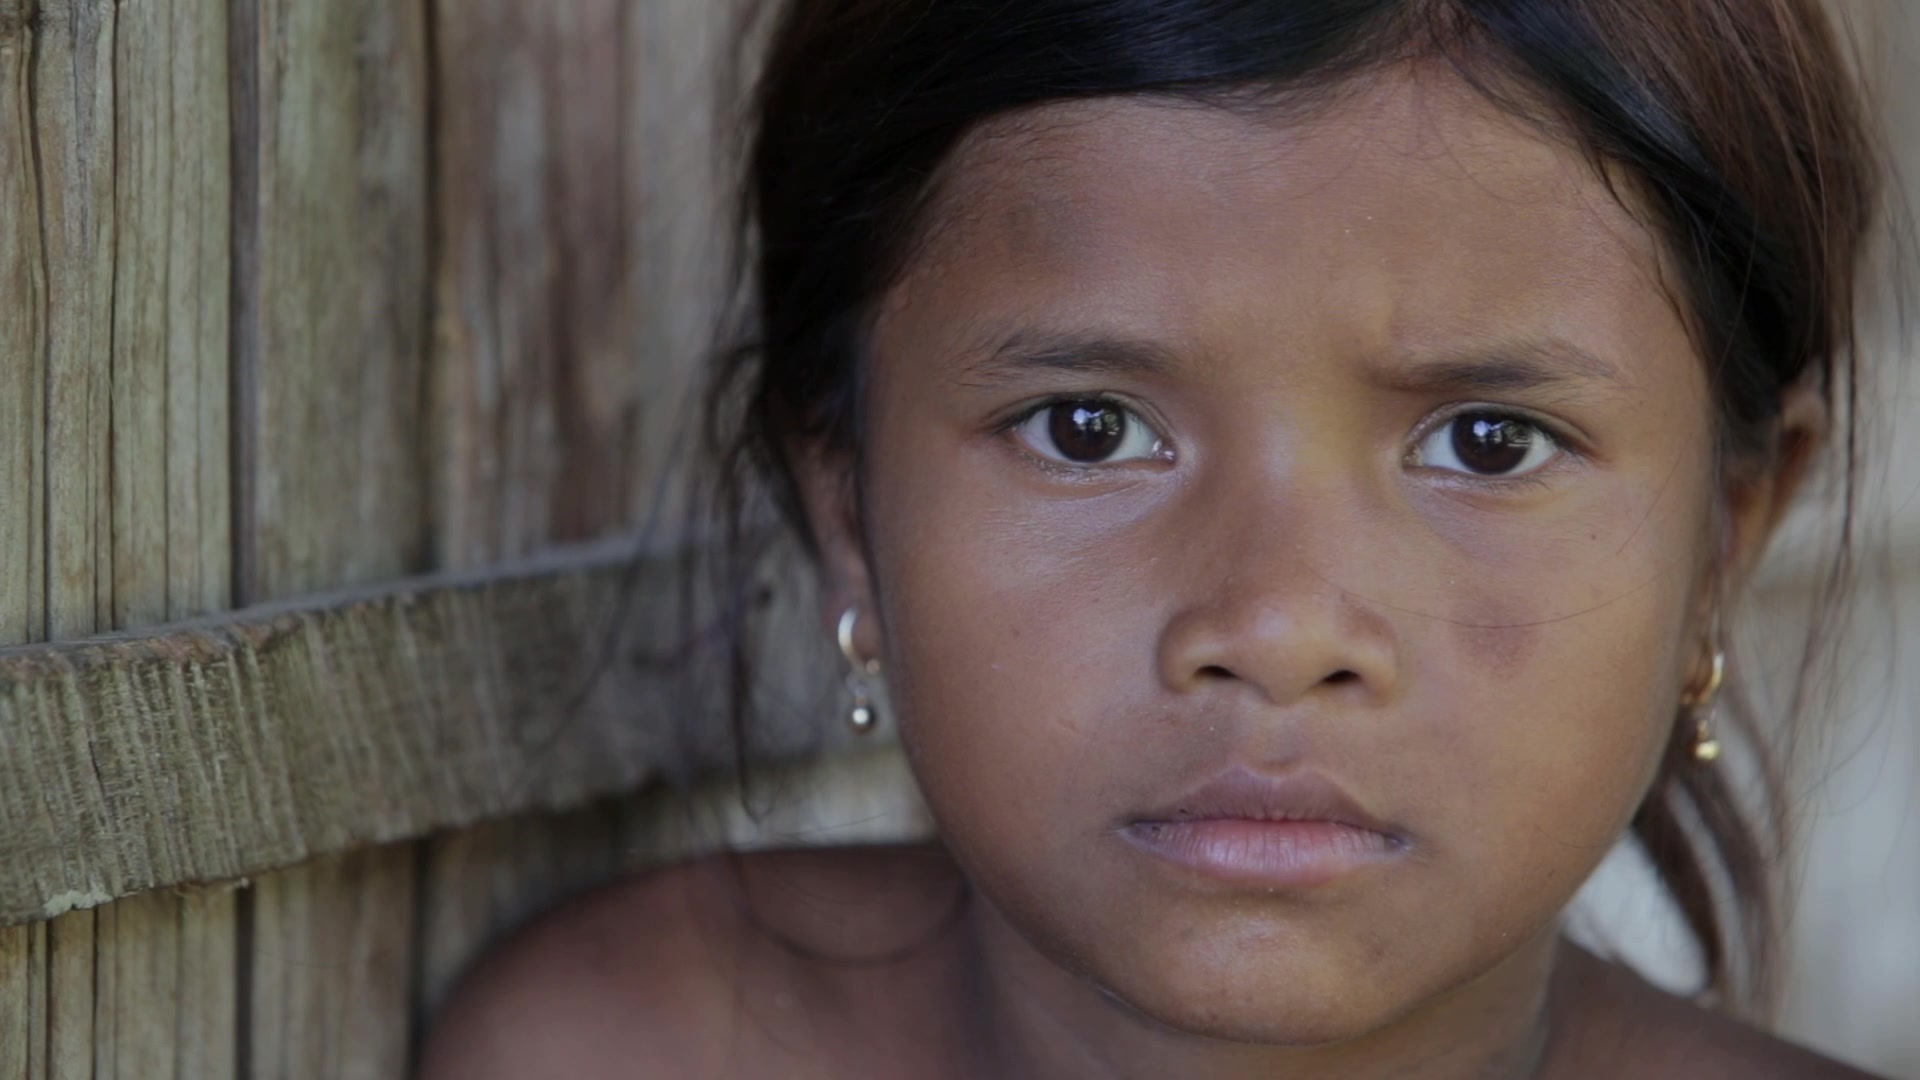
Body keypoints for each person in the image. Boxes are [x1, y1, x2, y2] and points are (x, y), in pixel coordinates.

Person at [420, 1, 1899, 1076]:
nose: (1275, 625)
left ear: (1724, 540)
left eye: (1488, 443)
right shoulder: (628, 1049)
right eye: (1088, 429)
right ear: (850, 507)